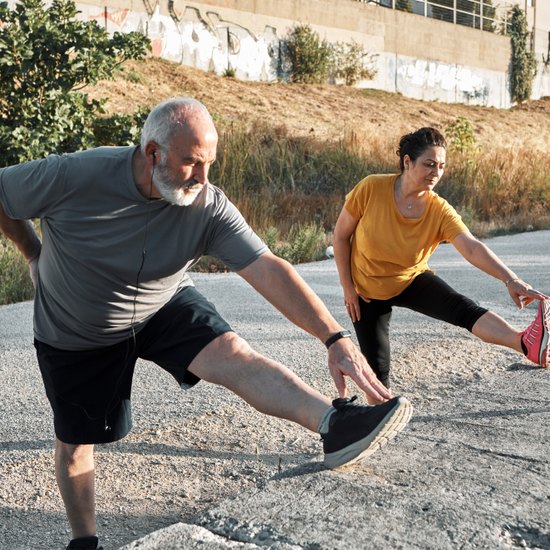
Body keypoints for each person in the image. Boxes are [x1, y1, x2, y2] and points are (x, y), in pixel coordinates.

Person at [0, 98, 412, 550]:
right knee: (78, 442)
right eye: (192, 163)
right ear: (153, 153)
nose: (203, 178)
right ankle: (85, 541)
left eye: (210, 164)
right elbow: (3, 193)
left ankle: (336, 425)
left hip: (163, 303)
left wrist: (333, 337)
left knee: (235, 355)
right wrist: (32, 251)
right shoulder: (75, 176)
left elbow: (268, 268)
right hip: (78, 329)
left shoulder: (207, 204)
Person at [332, 126, 549, 390]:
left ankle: (527, 343)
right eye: (429, 164)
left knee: (463, 308)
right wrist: (348, 288)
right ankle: (380, 416)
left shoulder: (438, 209)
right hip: (367, 291)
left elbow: (472, 247)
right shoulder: (371, 189)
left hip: (410, 279)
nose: (436, 173)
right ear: (407, 162)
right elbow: (341, 236)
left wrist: (510, 279)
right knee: (378, 373)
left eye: (442, 166)